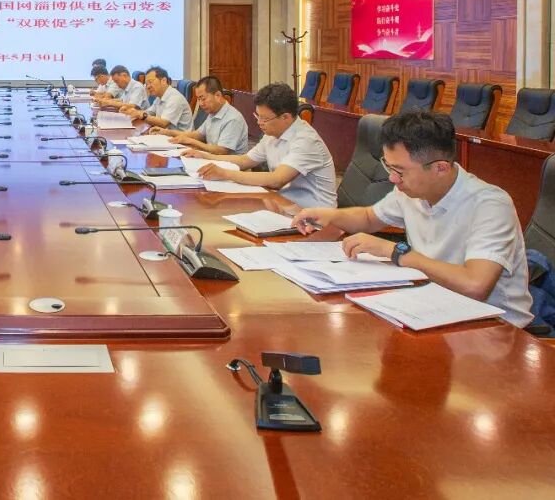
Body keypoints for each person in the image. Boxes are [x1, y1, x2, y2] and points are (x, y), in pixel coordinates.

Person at [292, 109, 533, 328]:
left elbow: (475, 285)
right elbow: (368, 217)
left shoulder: (490, 205)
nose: (392, 179)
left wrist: (397, 252)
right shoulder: (411, 191)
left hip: (494, 327)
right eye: (388, 167)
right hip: (433, 307)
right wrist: (329, 215)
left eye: (399, 171)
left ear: (440, 168)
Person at [188, 82, 336, 207]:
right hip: (284, 204)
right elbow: (245, 160)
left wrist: (225, 173)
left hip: (316, 218)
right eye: (257, 116)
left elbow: (277, 180)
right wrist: (205, 156)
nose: (259, 123)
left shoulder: (305, 140)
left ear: (285, 117)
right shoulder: (272, 134)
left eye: (264, 119)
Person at [154, 76, 248, 155]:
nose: (201, 104)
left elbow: (221, 151)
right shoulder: (213, 113)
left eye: (203, 98)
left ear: (218, 95)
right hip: (213, 159)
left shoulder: (233, 118)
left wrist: (191, 142)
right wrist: (166, 132)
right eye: (198, 99)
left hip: (230, 166)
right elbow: (198, 135)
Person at [123, 66, 192, 131]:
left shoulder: (175, 98)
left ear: (164, 81)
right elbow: (150, 112)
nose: (148, 87)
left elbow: (164, 123)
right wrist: (134, 112)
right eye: (146, 84)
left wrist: (142, 115)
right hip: (165, 134)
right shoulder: (159, 97)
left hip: (180, 138)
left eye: (150, 82)